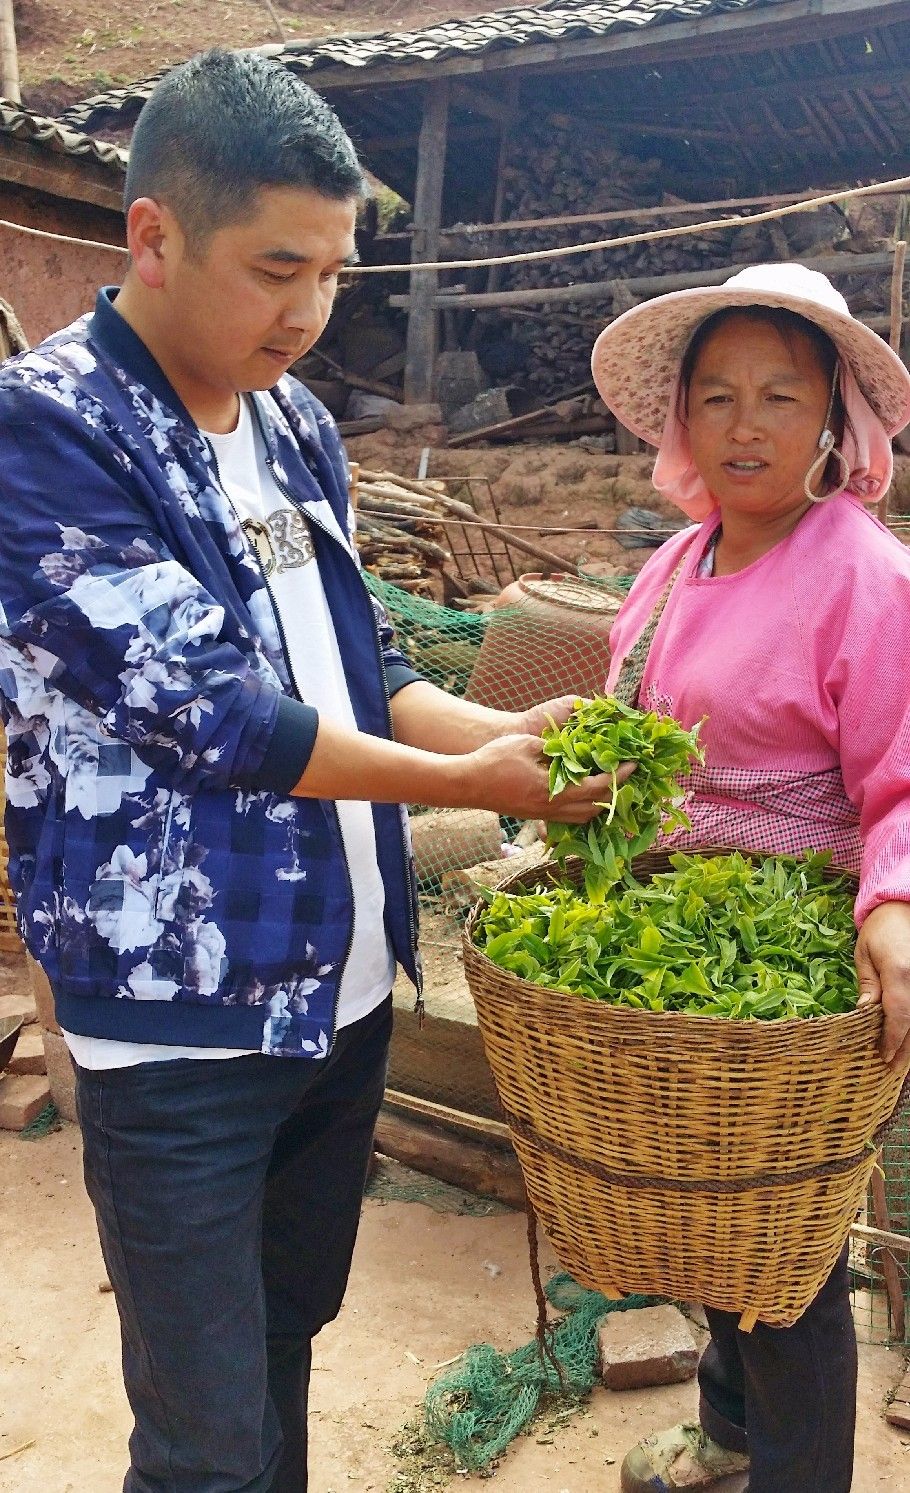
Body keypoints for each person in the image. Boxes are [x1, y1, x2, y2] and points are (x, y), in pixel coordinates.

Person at [0, 50, 625, 1493]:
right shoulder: (50, 428)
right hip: (181, 1027)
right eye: (276, 269)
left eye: (334, 274)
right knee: (206, 1442)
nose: (306, 312)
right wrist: (480, 790)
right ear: (153, 235)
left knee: (285, 1348)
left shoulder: (293, 426)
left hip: (335, 1000)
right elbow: (214, 715)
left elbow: (356, 666)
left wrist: (507, 734)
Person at [589, 261, 910, 1493]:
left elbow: (901, 775)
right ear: (682, 417)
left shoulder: (864, 576)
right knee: (705, 1214)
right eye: (716, 395)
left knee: (785, 1256)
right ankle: (727, 1432)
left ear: (834, 416)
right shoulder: (675, 563)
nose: (745, 424)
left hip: (789, 964)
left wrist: (892, 904)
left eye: (780, 395)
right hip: (682, 954)